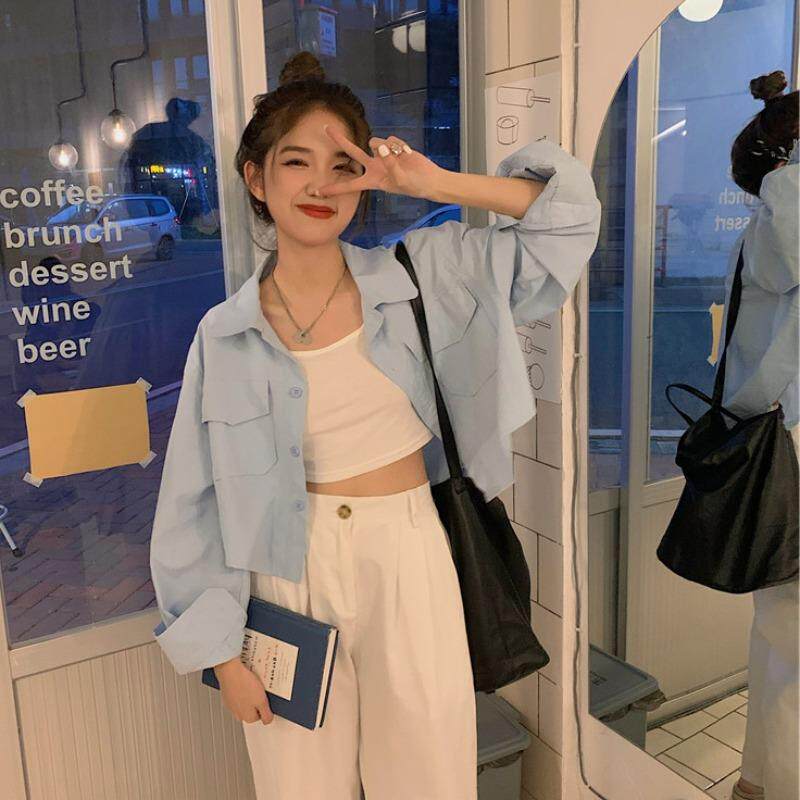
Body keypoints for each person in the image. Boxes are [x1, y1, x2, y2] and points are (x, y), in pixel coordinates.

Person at [149, 50, 601, 800]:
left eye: (342, 165)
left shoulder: (426, 276)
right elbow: (191, 504)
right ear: (256, 179)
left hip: (409, 552)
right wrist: (222, 656)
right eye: (296, 162)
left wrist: (431, 184)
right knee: (299, 788)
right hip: (284, 577)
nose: (320, 185)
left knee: (428, 779)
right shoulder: (224, 335)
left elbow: (568, 219)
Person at [722, 70, 798, 800]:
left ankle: (759, 779)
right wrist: (788, 174)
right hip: (791, 445)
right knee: (789, 636)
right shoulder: (783, 227)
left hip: (782, 441)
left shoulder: (771, 232)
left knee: (782, 635)